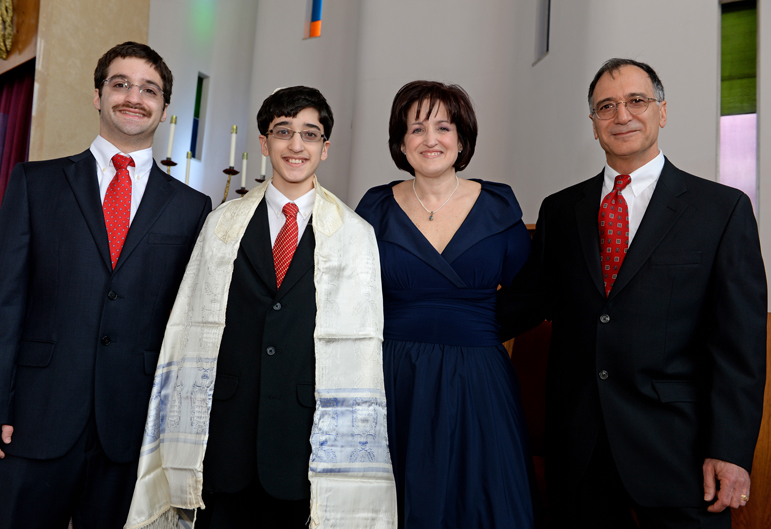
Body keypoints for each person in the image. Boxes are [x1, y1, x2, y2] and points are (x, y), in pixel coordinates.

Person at [501, 58, 767, 528]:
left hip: (680, 453)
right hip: (578, 452)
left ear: (661, 112)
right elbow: (525, 304)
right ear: (594, 124)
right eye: (606, 106)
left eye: (636, 101)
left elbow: (740, 345)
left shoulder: (720, 210)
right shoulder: (561, 211)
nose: (622, 115)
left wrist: (730, 451)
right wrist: (430, 311)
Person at [124, 86, 396, 529]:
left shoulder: (355, 233)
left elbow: (362, 345)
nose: (296, 145)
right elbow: (192, 323)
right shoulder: (221, 223)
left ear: (325, 148)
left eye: (310, 134)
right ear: (263, 142)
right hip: (226, 433)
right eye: (283, 131)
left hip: (305, 438)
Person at [0, 42, 212, 529]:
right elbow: (1, 303)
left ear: (164, 109)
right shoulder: (34, 183)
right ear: (98, 96)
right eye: (120, 84)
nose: (134, 96)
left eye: (149, 89)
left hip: (131, 429)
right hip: (32, 419)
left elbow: (186, 322)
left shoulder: (193, 208)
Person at [356, 81, 535, 528]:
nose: (431, 139)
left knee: (480, 500)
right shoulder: (373, 208)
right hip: (392, 374)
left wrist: (477, 331)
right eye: (416, 129)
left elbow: (529, 294)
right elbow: (351, 293)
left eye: (443, 127)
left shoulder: (498, 205)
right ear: (401, 141)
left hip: (478, 377)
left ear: (461, 139)